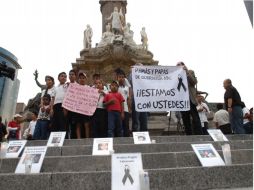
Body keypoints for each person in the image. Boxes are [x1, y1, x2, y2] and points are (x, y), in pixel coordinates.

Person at [176, 62, 203, 135]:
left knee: (195, 118)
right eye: (177, 66)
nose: (179, 67)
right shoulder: (175, 74)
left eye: (180, 65)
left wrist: (187, 71)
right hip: (182, 101)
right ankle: (189, 135)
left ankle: (199, 134)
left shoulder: (190, 72)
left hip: (190, 99)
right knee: (185, 119)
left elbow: (194, 82)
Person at [117, 69, 131, 137]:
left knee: (126, 126)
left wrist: (129, 108)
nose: (121, 79)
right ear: (117, 78)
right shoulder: (115, 87)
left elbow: (128, 98)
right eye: (120, 77)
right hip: (117, 110)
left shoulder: (127, 88)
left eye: (122, 77)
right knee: (118, 127)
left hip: (125, 109)